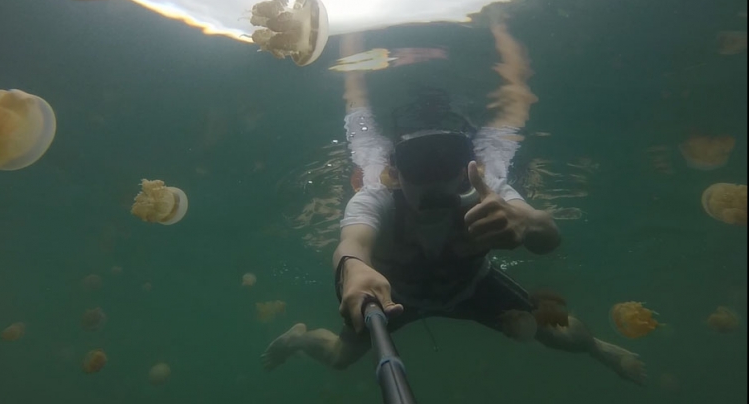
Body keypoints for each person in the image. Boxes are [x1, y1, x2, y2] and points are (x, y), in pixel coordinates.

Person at [261, 41, 647, 386]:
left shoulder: (485, 193)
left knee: (562, 335)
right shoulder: (376, 198)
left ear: (469, 166)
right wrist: (353, 268)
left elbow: (548, 235)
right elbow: (353, 243)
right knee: (337, 357)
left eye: (449, 163)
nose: (435, 181)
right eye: (419, 165)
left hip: (472, 288)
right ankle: (299, 338)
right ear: (393, 173)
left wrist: (525, 222)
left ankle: (597, 348)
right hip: (395, 297)